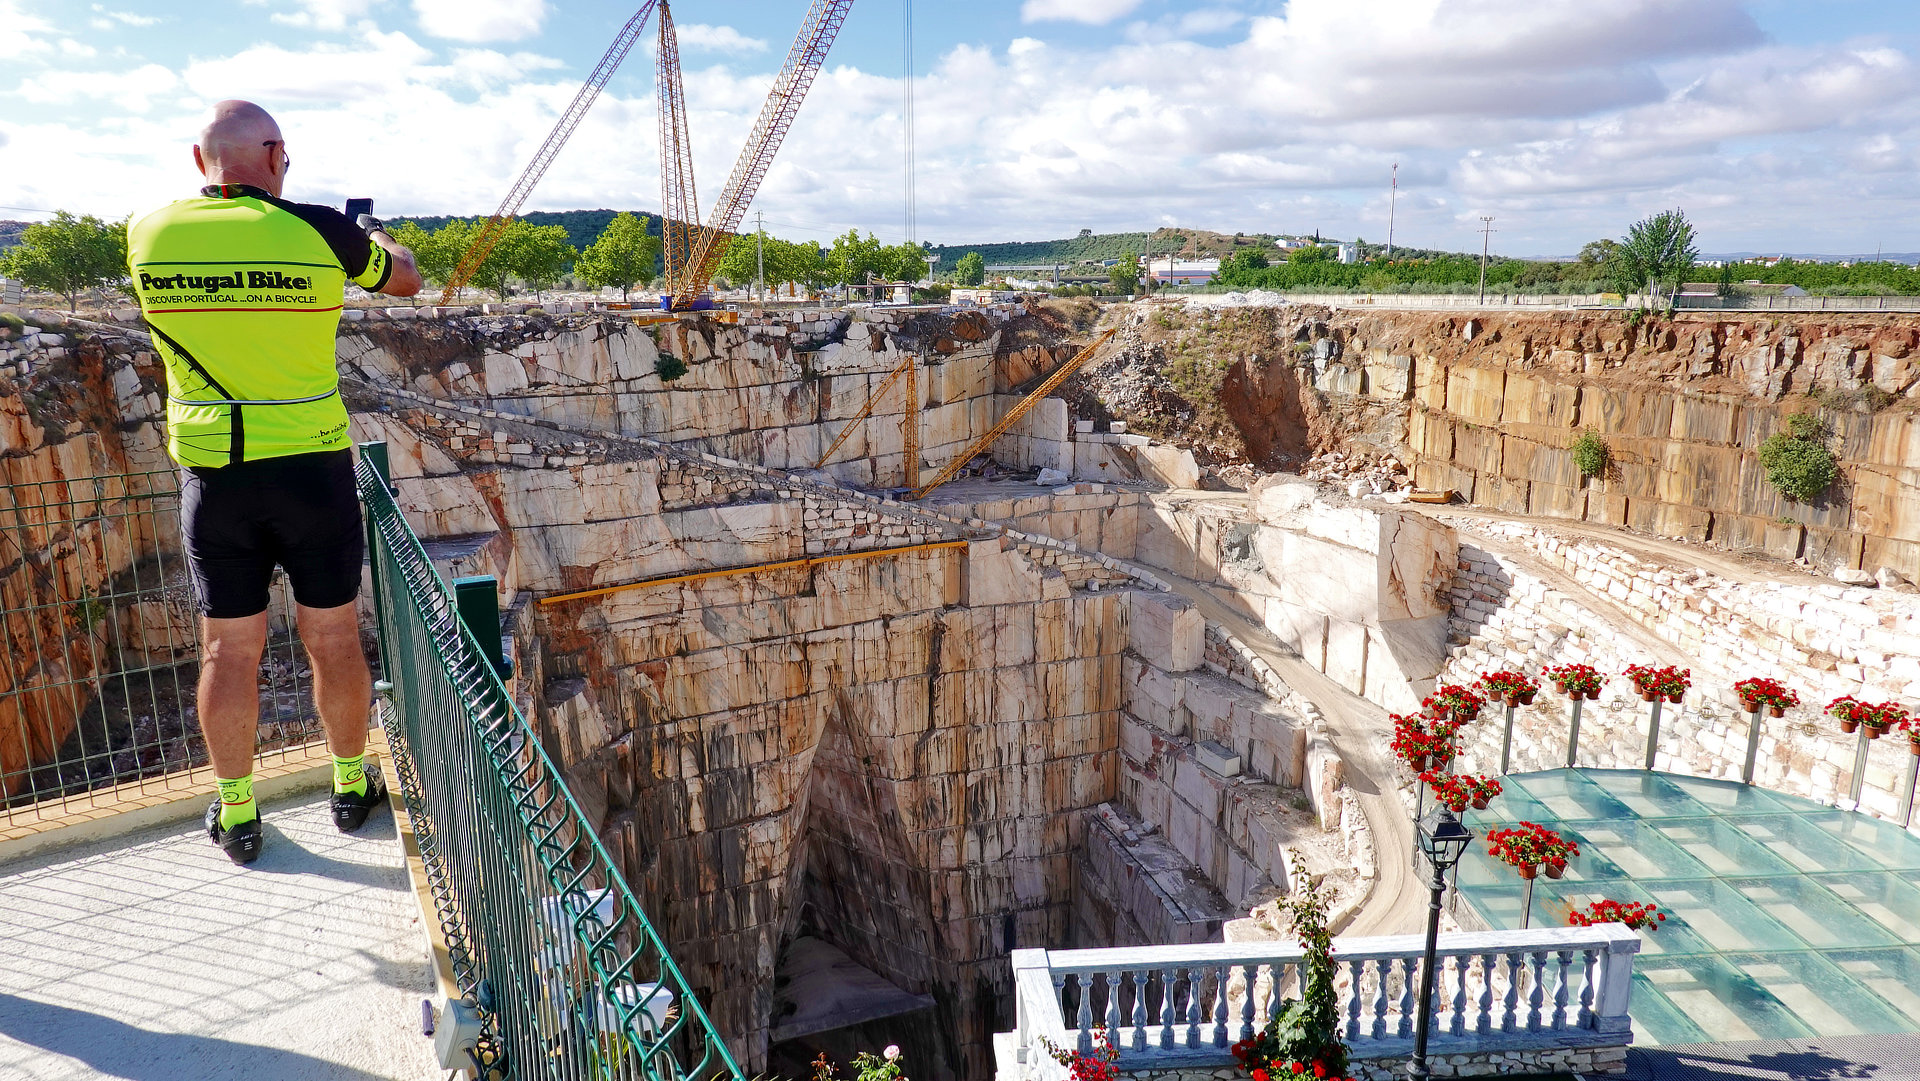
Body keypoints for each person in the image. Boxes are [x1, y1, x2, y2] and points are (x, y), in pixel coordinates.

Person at [127, 100, 424, 864]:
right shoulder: (321, 229)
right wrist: (378, 235)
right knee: (331, 637)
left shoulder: (147, 233)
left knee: (229, 652)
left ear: (202, 161)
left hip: (216, 476)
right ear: (277, 153)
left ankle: (237, 812)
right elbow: (405, 283)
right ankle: (352, 788)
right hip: (311, 467)